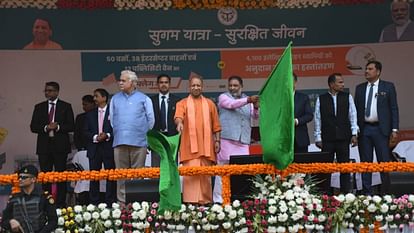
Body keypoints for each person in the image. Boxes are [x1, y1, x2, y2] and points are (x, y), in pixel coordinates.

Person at [175, 75, 221, 205]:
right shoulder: (182, 103)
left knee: (205, 177)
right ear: (189, 87)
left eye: (198, 85)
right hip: (189, 148)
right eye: (193, 85)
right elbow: (178, 116)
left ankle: (205, 204)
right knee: (191, 177)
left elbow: (216, 125)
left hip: (207, 149)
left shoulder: (210, 104)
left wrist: (217, 141)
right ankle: (191, 205)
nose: (196, 87)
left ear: (202, 87)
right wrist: (179, 123)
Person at [109, 70, 155, 203]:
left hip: (139, 142)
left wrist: (140, 133)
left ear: (133, 83)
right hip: (119, 142)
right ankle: (122, 205)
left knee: (137, 175)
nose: (120, 82)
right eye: (120, 80)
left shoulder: (144, 98)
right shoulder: (115, 99)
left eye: (123, 80)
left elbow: (151, 121)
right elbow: (112, 120)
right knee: (121, 175)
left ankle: (136, 205)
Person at [355, 60, 399, 195]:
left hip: (381, 129)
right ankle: (367, 195)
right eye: (366, 69)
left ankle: (386, 195)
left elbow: (394, 109)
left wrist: (395, 130)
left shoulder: (388, 87)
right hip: (365, 129)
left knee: (384, 163)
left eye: (370, 69)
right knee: (366, 164)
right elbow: (356, 110)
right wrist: (354, 130)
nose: (366, 71)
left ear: (378, 71)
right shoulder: (360, 88)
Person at [212, 75, 259, 203]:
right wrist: (249, 100)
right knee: (222, 171)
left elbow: (255, 116)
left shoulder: (247, 100)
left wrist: (255, 106)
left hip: (243, 141)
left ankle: (239, 199)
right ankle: (218, 201)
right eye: (230, 85)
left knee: (242, 171)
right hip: (227, 140)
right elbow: (231, 105)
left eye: (235, 85)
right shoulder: (223, 97)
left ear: (241, 87)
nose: (232, 88)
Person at [30, 81, 74, 207]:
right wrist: (46, 127)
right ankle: (46, 203)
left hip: (60, 147)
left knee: (61, 176)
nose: (47, 93)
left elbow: (71, 126)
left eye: (49, 90)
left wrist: (58, 127)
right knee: (45, 176)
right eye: (45, 90)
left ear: (56, 91)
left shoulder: (66, 106)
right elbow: (33, 127)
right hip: (44, 147)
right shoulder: (39, 107)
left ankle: (60, 202)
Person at [314, 73, 358, 194]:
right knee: (326, 168)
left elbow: (352, 115)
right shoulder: (321, 98)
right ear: (331, 84)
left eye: (342, 82)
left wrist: (354, 133)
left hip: (343, 137)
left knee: (344, 167)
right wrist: (318, 137)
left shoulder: (347, 97)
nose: (343, 84)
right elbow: (318, 119)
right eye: (340, 82)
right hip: (327, 138)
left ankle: (345, 194)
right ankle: (325, 194)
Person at [1, 165, 57, 233]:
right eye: (19, 177)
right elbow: (4, 221)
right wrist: (10, 222)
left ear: (33, 179)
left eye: (24, 177)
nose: (20, 179)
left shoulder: (43, 197)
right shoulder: (14, 198)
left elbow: (53, 221)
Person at [84, 88, 116, 205]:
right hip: (94, 148)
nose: (94, 99)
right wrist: (95, 137)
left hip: (109, 148)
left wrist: (107, 135)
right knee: (94, 176)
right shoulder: (90, 114)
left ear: (104, 98)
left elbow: (117, 129)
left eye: (96, 96)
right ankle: (94, 203)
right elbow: (85, 131)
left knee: (111, 176)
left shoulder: (113, 113)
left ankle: (110, 202)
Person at [150, 74, 180, 167]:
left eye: (166, 82)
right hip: (157, 138)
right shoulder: (150, 101)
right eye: (161, 82)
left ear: (169, 84)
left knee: (172, 166)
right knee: (156, 169)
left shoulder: (177, 100)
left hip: (172, 138)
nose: (164, 85)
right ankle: (156, 182)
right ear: (157, 84)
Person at [293, 73, 313, 153]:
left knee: (302, 165)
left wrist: (297, 121)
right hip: (283, 141)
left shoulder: (303, 97)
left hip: (300, 139)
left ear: (295, 82)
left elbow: (309, 115)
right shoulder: (279, 98)